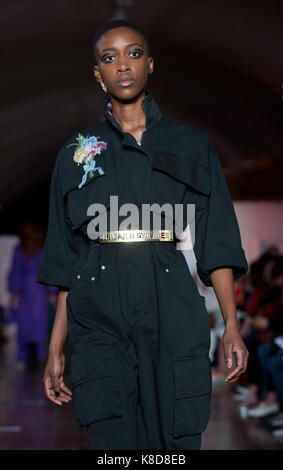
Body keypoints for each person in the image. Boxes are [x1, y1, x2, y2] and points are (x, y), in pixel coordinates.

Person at [37, 19, 249, 450]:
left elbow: (218, 238)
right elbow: (67, 261)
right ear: (98, 73)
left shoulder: (190, 143)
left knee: (175, 434)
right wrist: (56, 347)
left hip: (169, 297)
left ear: (150, 64)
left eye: (133, 54)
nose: (123, 65)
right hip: (97, 304)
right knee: (112, 437)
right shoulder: (76, 153)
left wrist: (232, 325)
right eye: (109, 58)